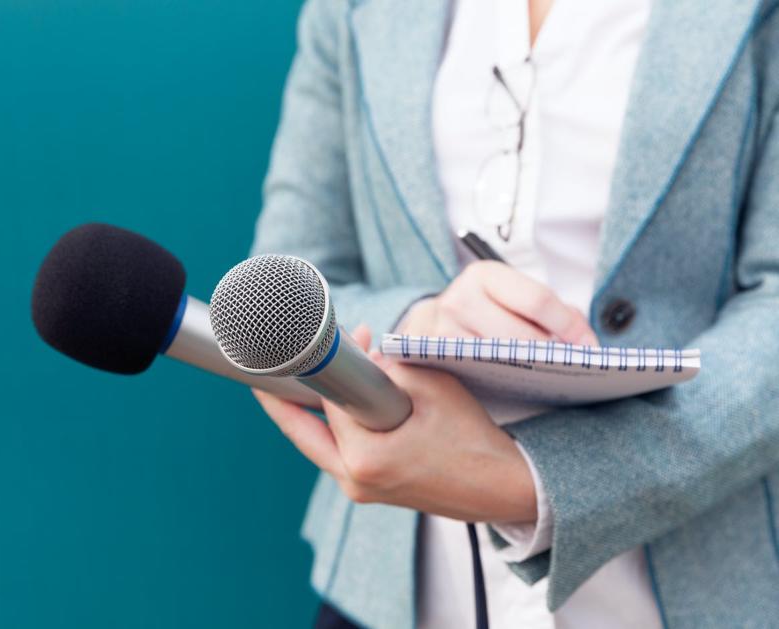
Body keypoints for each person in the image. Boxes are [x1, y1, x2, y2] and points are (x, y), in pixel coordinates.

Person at [249, 0, 779, 627]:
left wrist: (538, 481)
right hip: (391, 594)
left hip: (698, 586)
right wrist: (421, 322)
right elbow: (288, 275)